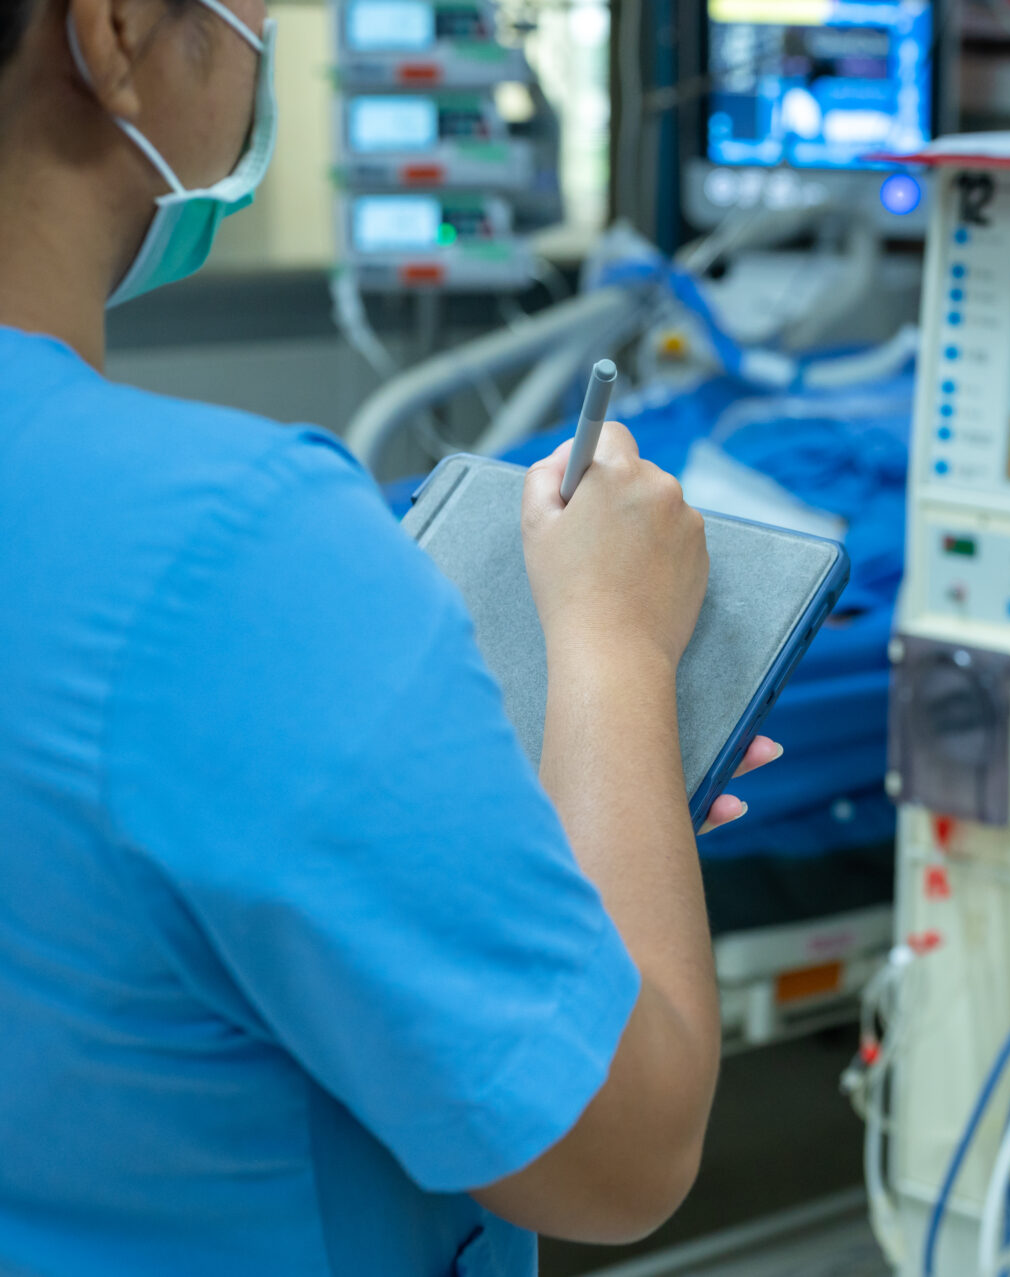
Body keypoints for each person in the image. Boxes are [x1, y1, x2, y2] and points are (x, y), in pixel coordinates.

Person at [0, 0, 778, 1271]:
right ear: (118, 34)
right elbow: (621, 1149)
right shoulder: (235, 552)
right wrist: (614, 654)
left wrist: (533, 813)